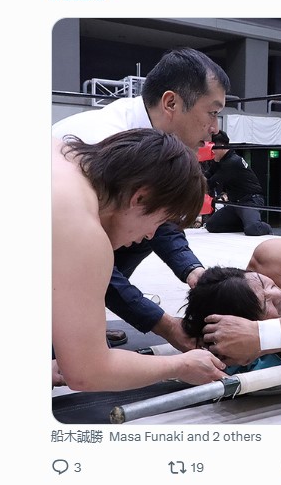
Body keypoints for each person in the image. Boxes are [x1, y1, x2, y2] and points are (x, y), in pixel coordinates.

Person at [51, 47, 231, 351]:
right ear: (171, 102)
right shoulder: (103, 144)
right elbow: (85, 257)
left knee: (140, 228)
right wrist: (165, 325)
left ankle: (80, 314)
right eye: (212, 113)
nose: (215, 128)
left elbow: (157, 218)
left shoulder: (151, 144)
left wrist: (192, 270)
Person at [52, 129, 227, 391]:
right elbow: (87, 373)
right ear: (140, 197)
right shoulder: (82, 229)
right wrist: (180, 365)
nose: (150, 235)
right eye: (159, 221)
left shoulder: (61, 152)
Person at [203, 131, 272, 235]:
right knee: (211, 225)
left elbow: (210, 184)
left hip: (250, 201)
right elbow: (207, 175)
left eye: (212, 148)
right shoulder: (219, 160)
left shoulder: (232, 162)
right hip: (235, 203)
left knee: (252, 229)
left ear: (221, 146)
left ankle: (266, 228)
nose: (211, 151)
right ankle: (245, 222)